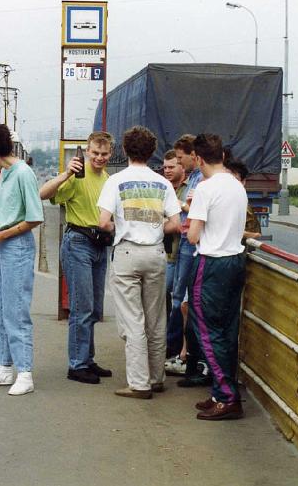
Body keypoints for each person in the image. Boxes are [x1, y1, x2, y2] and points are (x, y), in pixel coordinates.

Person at [98, 126, 181, 399]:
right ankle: (157, 378)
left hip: (127, 254)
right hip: (156, 254)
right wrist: (154, 228)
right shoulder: (163, 183)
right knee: (156, 318)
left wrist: (121, 227)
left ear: (124, 150)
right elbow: (175, 224)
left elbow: (103, 222)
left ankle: (139, 383)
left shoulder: (115, 181)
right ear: (152, 151)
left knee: (133, 321)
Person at [39, 132, 114, 385]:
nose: (99, 158)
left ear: (110, 154)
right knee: (82, 307)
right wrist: (67, 173)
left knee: (93, 307)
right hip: (78, 243)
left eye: (104, 154)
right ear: (88, 152)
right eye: (95, 153)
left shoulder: (107, 179)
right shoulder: (77, 176)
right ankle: (77, 365)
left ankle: (87, 358)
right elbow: (43, 194)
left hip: (100, 245)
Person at [0, 124, 44, 396]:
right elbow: (6, 208)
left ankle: (24, 372)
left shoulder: (23, 173)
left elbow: (34, 216)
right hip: (3, 245)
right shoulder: (4, 173)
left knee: (16, 310)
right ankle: (4, 367)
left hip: (16, 247)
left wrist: (2, 235)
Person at [184, 133, 248, 420]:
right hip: (235, 261)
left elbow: (193, 236)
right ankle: (221, 391)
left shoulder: (205, 189)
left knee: (207, 330)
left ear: (197, 159)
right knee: (227, 329)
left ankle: (226, 397)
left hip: (210, 264)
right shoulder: (237, 186)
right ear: (222, 155)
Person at [166, 135, 206, 380]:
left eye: (180, 159)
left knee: (182, 300)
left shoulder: (201, 180)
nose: (179, 163)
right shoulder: (193, 178)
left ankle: (183, 355)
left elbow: (195, 211)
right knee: (178, 299)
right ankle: (181, 353)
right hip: (183, 244)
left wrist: (178, 205)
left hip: (191, 245)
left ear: (194, 155)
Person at [162, 150, 185, 320]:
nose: (167, 170)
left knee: (180, 299)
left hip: (184, 252)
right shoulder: (162, 187)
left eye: (171, 167)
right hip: (167, 253)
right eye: (165, 167)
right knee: (163, 295)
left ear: (182, 166)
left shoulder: (190, 187)